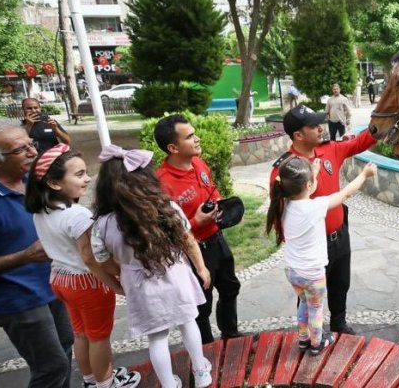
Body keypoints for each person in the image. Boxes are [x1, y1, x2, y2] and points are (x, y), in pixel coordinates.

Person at [0, 119, 74, 388]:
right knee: (51, 367)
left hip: (52, 286)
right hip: (18, 299)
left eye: (31, 144)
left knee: (65, 349)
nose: (33, 152)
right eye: (21, 150)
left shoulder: (30, 179)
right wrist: (25, 256)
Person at [91, 145, 213, 388]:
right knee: (188, 322)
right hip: (176, 275)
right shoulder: (167, 209)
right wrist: (201, 268)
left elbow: (102, 260)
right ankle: (201, 373)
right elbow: (189, 241)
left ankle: (168, 384)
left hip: (138, 283)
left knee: (157, 337)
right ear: (146, 178)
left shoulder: (102, 225)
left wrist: (119, 277)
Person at [25, 144, 141, 388]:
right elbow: (91, 257)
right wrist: (116, 284)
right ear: (55, 183)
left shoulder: (41, 212)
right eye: (79, 174)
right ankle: (106, 383)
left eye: (85, 172)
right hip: (86, 283)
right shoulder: (77, 215)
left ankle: (91, 380)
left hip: (59, 279)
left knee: (81, 333)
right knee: (99, 338)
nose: (88, 178)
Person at [269, 105, 378, 335]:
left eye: (320, 123)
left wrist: (382, 125)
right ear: (298, 135)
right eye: (313, 126)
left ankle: (339, 323)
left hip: (340, 234)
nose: (321, 128)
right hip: (312, 248)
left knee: (341, 284)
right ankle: (309, 337)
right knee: (310, 296)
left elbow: (359, 142)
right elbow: (279, 212)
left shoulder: (330, 150)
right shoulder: (286, 169)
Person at [266, 156, 377, 354]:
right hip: (312, 274)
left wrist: (313, 173)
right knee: (316, 308)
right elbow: (345, 194)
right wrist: (363, 174)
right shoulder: (315, 207)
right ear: (309, 185)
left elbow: (302, 189)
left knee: (304, 304)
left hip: (292, 271)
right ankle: (317, 343)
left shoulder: (283, 204)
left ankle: (303, 338)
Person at [154, 114, 241, 344]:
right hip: (193, 252)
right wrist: (195, 223)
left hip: (217, 239)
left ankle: (231, 336)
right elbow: (167, 232)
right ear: (173, 147)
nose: (197, 139)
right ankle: (207, 349)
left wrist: (221, 207)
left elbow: (212, 191)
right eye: (190, 136)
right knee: (201, 304)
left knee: (230, 288)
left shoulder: (198, 163)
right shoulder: (162, 183)